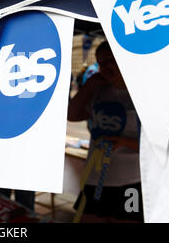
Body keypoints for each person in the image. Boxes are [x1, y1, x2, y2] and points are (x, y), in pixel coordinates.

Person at [68, 41, 143, 223]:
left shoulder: (141, 94)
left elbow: (158, 145)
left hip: (130, 181)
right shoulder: (100, 91)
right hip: (94, 179)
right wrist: (89, 86)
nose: (105, 67)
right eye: (101, 63)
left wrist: (122, 142)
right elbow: (72, 115)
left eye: (110, 60)